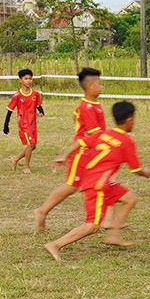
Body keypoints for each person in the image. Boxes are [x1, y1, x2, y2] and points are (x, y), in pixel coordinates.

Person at [44, 101, 150, 261]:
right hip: (98, 185)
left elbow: (80, 142)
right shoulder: (127, 142)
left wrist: (65, 156)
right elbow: (136, 170)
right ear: (129, 119)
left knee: (130, 198)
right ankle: (55, 244)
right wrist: (146, 172)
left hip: (100, 181)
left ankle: (114, 235)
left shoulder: (104, 134)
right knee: (92, 226)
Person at [34, 67, 105, 231]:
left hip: (92, 154)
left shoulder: (93, 106)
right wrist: (67, 155)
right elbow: (93, 136)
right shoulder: (87, 108)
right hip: (82, 154)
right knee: (71, 187)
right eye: (99, 84)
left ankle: (109, 221)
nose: (101, 87)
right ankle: (42, 211)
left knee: (103, 183)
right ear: (89, 86)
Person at [3, 68, 44, 173]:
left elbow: (38, 106)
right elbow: (9, 111)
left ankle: (15, 159)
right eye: (26, 79)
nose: (28, 81)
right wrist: (6, 125)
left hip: (33, 123)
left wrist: (41, 112)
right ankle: (26, 167)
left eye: (30, 78)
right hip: (24, 124)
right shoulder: (17, 96)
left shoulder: (35, 94)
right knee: (30, 145)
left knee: (33, 146)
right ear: (20, 80)